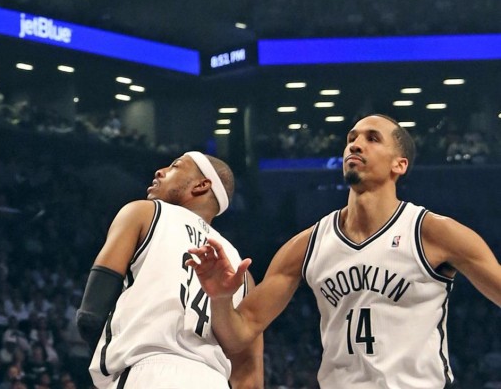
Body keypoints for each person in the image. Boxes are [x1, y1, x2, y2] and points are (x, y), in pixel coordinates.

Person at [188, 114, 501, 388]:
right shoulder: (307, 244)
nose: (355, 144)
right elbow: (241, 332)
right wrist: (220, 299)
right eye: (351, 138)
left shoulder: (432, 232)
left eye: (372, 138)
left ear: (399, 164)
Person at [76, 152, 263, 389]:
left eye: (175, 166)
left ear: (202, 185)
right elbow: (250, 376)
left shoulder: (145, 212)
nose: (159, 171)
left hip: (147, 370)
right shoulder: (242, 272)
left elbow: (91, 314)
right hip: (214, 380)